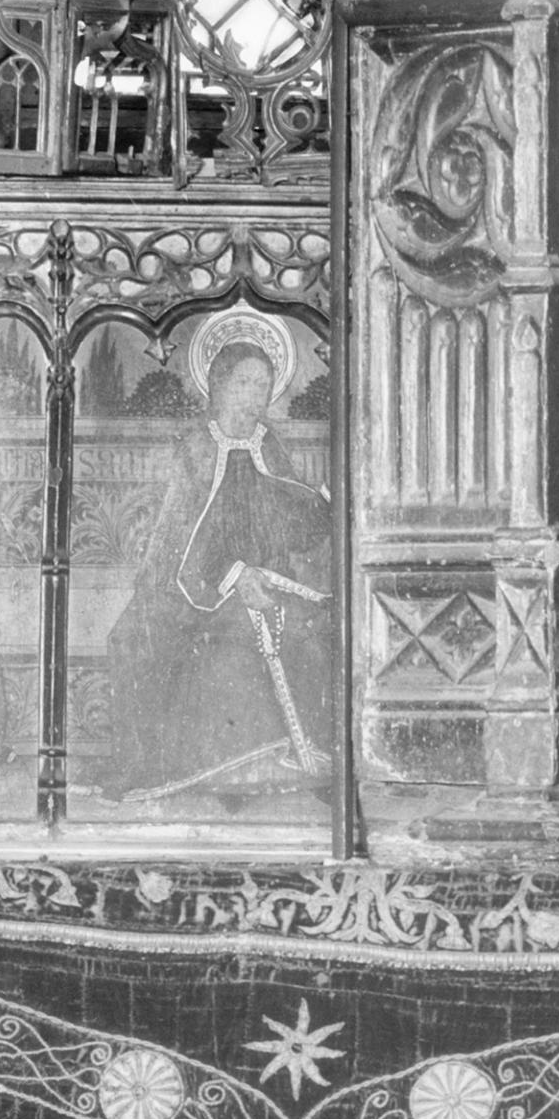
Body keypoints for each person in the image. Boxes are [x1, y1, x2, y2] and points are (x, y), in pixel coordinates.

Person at [90, 308, 333, 803]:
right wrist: (232, 577)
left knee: (315, 637)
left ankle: (294, 764)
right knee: (217, 651)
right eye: (244, 383)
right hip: (199, 588)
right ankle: (230, 774)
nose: (255, 397)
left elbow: (294, 522)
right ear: (218, 386)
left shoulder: (270, 444)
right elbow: (176, 539)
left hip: (271, 577)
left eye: (263, 386)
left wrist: (323, 503)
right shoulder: (196, 448)